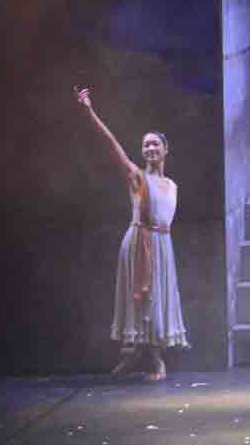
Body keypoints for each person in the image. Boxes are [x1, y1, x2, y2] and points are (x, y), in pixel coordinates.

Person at [75, 86, 186, 378]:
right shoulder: (137, 177)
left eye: (155, 144)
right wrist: (90, 112)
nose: (150, 149)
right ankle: (138, 353)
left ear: (165, 149)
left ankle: (153, 358)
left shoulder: (172, 185)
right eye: (146, 145)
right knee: (139, 300)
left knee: (157, 300)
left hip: (162, 244)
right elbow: (112, 145)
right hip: (139, 242)